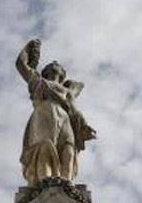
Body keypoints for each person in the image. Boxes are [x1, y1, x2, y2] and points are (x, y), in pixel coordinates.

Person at [15, 38, 97, 185]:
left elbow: (75, 105)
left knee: (69, 149)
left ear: (63, 75)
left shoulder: (67, 91)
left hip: (65, 117)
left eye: (58, 66)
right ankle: (44, 183)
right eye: (51, 66)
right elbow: (20, 64)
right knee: (44, 148)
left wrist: (84, 124)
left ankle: (67, 185)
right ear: (45, 72)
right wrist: (29, 48)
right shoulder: (38, 82)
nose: (55, 64)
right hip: (44, 113)